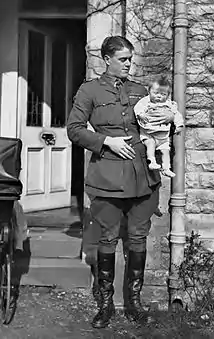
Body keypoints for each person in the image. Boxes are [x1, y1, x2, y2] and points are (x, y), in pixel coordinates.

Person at [67, 36, 174, 329]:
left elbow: (157, 126)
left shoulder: (140, 91)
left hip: (142, 179)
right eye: (123, 59)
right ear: (107, 59)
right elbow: (74, 130)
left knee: (138, 238)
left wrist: (166, 121)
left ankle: (134, 302)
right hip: (107, 178)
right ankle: (105, 304)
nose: (129, 63)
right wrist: (106, 141)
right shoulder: (89, 90)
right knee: (108, 239)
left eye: (130, 58)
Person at [134, 76, 184, 177]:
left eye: (163, 94)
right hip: (149, 133)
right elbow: (137, 107)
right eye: (156, 93)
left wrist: (179, 125)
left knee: (165, 151)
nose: (159, 96)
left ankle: (166, 168)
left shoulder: (169, 104)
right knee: (150, 145)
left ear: (168, 95)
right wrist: (141, 114)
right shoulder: (146, 101)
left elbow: (177, 115)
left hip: (163, 136)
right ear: (149, 92)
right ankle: (152, 161)